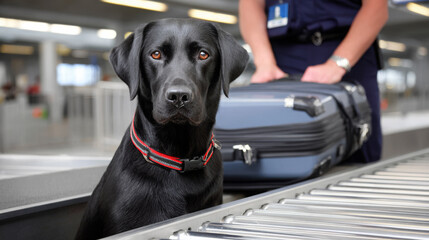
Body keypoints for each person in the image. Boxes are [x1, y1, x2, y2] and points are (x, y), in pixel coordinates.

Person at [239, 0, 388, 163]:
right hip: (281, 57)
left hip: (351, 51)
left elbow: (376, 6)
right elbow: (250, 4)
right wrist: (265, 63)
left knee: (359, 149)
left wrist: (338, 63)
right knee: (281, 151)